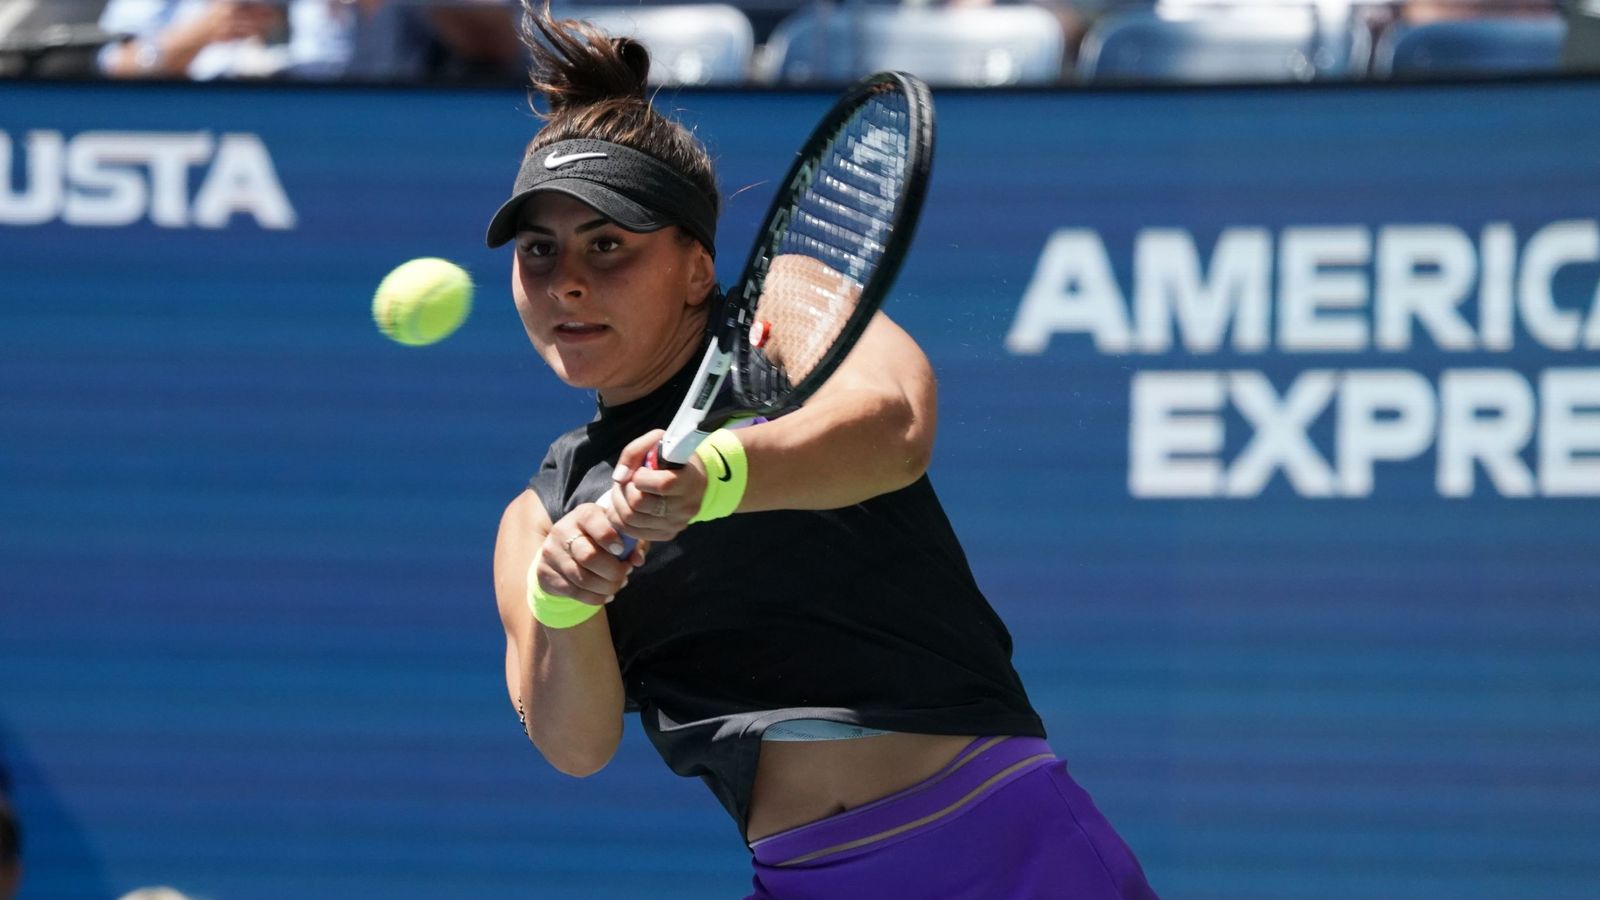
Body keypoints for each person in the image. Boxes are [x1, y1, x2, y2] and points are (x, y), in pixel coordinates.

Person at [488, 6, 1159, 896]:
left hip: (1001, 841)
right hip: (808, 878)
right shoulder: (537, 521)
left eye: (607, 244)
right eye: (540, 251)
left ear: (696, 266)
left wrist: (716, 480)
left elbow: (895, 425)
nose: (566, 279)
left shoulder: (785, 312)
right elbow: (575, 745)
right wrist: (566, 600)